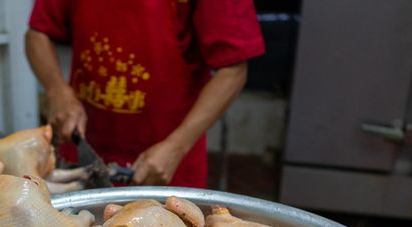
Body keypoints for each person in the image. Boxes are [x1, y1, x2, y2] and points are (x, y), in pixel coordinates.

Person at [25, 0, 265, 187]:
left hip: (167, 162)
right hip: (82, 149)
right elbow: (37, 33)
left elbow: (233, 69)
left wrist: (176, 147)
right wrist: (57, 91)